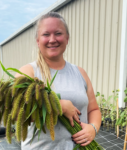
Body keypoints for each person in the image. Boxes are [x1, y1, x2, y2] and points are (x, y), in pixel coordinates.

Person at [15, 12, 101, 150]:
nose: (52, 39)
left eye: (58, 33)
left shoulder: (80, 72)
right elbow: (20, 114)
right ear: (38, 41)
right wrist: (58, 106)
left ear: (67, 38)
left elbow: (94, 109)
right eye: (46, 34)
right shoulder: (28, 72)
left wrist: (93, 128)